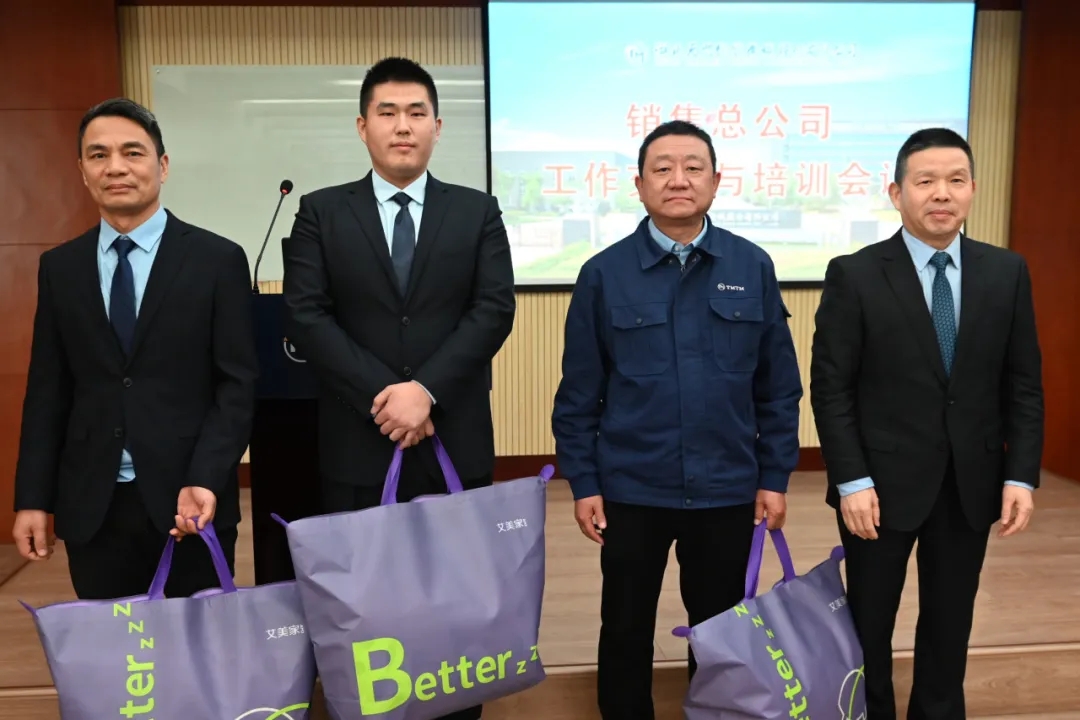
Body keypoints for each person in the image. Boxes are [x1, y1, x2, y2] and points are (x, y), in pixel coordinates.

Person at [281, 57, 515, 720]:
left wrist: (426, 391)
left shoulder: (477, 211)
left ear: (438, 126)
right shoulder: (321, 212)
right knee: (367, 605)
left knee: (456, 600)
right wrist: (386, 395)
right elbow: (306, 313)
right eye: (387, 113)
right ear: (363, 127)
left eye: (416, 113)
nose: (402, 126)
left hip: (452, 440)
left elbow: (493, 309)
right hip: (358, 443)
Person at [551, 119, 803, 719]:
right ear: (639, 185)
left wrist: (774, 476)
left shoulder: (752, 265)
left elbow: (778, 388)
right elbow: (579, 394)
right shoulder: (604, 274)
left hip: (726, 488)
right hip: (632, 487)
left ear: (716, 181)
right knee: (625, 626)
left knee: (720, 630)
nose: (678, 180)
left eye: (693, 168)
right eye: (662, 169)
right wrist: (584, 482)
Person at [810, 127, 1042, 720]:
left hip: (970, 483)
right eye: (926, 181)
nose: (942, 193)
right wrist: (851, 480)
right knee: (868, 624)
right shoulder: (856, 274)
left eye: (956, 180)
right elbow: (832, 389)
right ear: (896, 193)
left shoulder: (1006, 271)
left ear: (972, 190)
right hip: (877, 489)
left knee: (950, 622)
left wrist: (1020, 475)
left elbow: (1023, 383)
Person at [11, 98, 258, 599]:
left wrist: (206, 476)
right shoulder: (61, 268)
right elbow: (48, 391)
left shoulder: (217, 260)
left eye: (132, 152)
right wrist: (32, 498)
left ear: (162, 166)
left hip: (190, 498)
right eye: (98, 155)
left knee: (198, 642)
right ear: (82, 171)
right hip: (93, 504)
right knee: (114, 644)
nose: (116, 167)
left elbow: (237, 385)